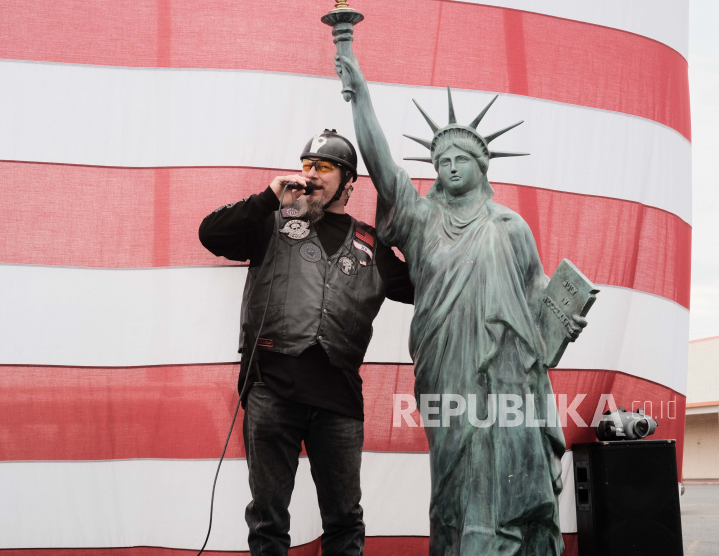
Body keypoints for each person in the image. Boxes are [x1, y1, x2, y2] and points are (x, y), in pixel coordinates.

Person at [333, 53, 587, 555]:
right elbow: (384, 169)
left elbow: (537, 293)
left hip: (511, 372)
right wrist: (361, 96)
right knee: (455, 473)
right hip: (446, 364)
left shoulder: (510, 227)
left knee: (511, 472)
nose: (449, 168)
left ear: (481, 166)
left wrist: (565, 319)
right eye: (442, 161)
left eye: (460, 160)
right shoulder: (419, 219)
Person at [199, 129, 414, 556]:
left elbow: (422, 288)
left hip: (339, 398)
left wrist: (415, 235)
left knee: (344, 519)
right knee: (268, 518)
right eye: (307, 165)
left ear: (348, 181)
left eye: (324, 167)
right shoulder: (272, 220)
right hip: (272, 389)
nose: (311, 174)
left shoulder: (372, 244)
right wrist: (267, 197)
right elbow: (211, 234)